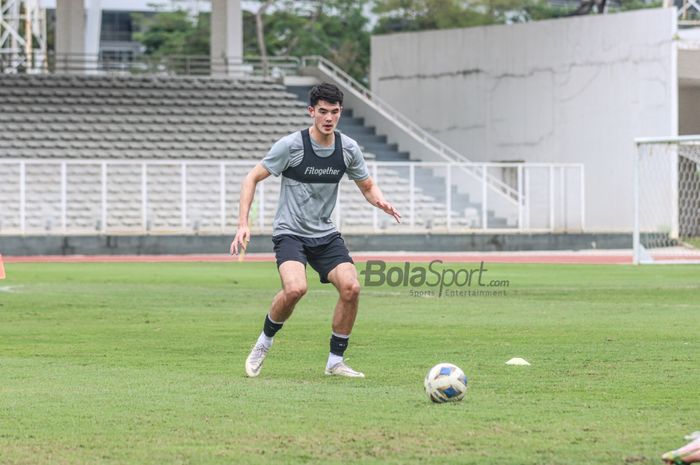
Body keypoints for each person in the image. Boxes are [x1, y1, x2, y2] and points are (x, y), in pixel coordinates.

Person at [230, 82, 401, 378]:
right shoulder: (290, 146)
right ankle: (264, 342)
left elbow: (368, 186)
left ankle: (335, 362)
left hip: (324, 234)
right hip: (291, 233)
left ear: (340, 113)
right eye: (322, 111)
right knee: (296, 289)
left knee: (352, 287)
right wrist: (243, 223)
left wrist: (380, 201)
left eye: (334, 112)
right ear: (311, 111)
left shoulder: (347, 149)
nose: (328, 118)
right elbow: (251, 178)